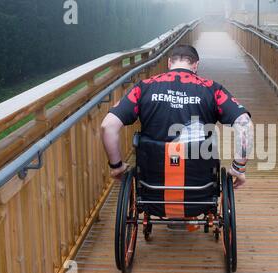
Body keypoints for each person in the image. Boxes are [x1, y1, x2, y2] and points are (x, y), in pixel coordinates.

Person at [101, 44, 253, 188]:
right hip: (200, 187)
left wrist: (117, 167)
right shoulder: (213, 90)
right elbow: (244, 123)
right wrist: (238, 167)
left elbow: (107, 126)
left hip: (151, 185)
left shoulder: (144, 87)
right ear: (196, 65)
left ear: (169, 63)